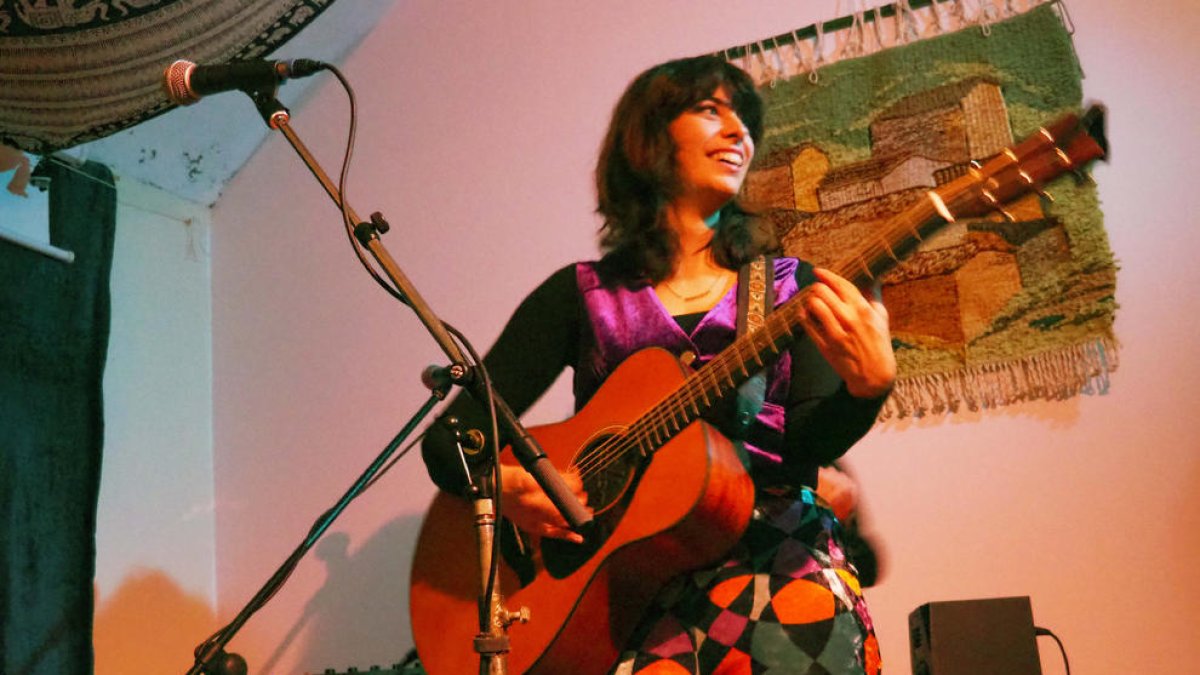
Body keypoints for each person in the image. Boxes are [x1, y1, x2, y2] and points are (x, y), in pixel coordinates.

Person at [420, 54, 895, 674]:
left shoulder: (788, 287)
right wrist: (506, 487)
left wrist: (868, 390)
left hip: (780, 572)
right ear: (649, 138)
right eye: (710, 110)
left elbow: (807, 444)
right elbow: (449, 442)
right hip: (627, 600)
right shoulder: (581, 295)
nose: (739, 132)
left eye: (745, 120)